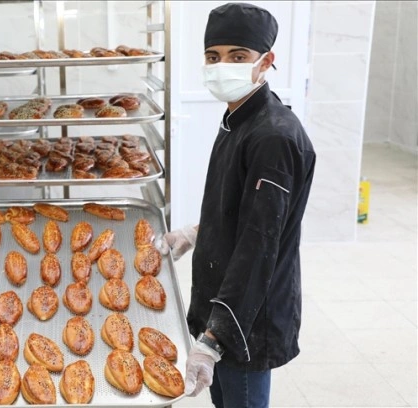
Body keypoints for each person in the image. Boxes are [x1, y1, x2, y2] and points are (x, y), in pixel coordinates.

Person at [159, 3, 316, 407]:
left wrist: (214, 340)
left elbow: (259, 246)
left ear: (265, 62)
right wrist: (195, 233)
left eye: (237, 56)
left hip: (246, 317)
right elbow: (242, 209)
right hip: (223, 299)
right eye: (213, 57)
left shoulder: (273, 137)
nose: (221, 66)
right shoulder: (238, 117)